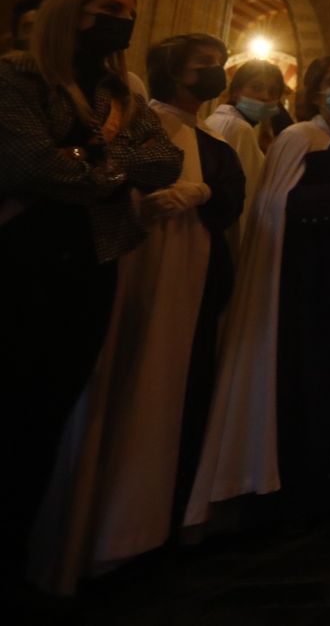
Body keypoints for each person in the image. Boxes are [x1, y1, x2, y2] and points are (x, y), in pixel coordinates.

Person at [29, 34, 247, 592]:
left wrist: (200, 194)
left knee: (170, 395)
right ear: (174, 72)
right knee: (115, 390)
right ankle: (91, 536)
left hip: (189, 285)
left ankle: (149, 529)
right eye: (206, 66)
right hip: (128, 272)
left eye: (219, 66)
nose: (216, 74)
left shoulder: (215, 145)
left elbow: (229, 201)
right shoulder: (133, 125)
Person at [0, 0, 182, 578]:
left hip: (91, 263)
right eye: (109, 11)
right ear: (68, 15)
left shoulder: (115, 92)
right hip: (21, 259)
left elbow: (164, 162)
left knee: (46, 413)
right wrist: (107, 169)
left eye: (130, 13)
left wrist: (88, 162)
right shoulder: (17, 79)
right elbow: (32, 165)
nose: (123, 23)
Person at [186, 55, 330, 527]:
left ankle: (324, 481)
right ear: (314, 94)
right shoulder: (299, 137)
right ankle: (291, 488)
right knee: (302, 377)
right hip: (301, 282)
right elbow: (274, 206)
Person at [204, 59, 286, 250]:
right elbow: (242, 197)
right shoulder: (238, 128)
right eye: (256, 88)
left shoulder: (222, 120)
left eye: (273, 92)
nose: (265, 97)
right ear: (236, 91)